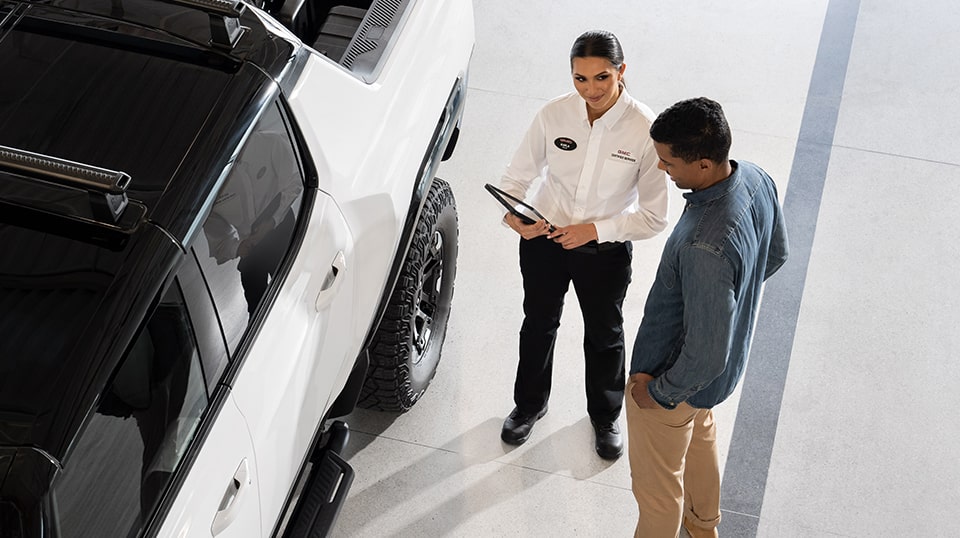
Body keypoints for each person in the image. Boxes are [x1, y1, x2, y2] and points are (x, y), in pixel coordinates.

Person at [496, 30, 669, 460]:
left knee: (605, 334)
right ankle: (529, 405)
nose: (590, 90)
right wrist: (515, 217)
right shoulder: (553, 115)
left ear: (621, 71)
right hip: (544, 241)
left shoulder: (644, 129)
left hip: (604, 253)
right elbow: (516, 178)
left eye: (601, 78)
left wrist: (594, 230)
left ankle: (605, 417)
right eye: (580, 79)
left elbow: (654, 217)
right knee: (538, 323)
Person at [626, 97, 789, 537]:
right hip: (708, 384)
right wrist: (720, 306)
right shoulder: (754, 177)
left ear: (702, 164)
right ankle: (703, 529)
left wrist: (656, 392)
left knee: (658, 498)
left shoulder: (705, 246)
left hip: (670, 377)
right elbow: (776, 253)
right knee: (700, 436)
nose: (661, 168)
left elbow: (704, 356)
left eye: (668, 161)